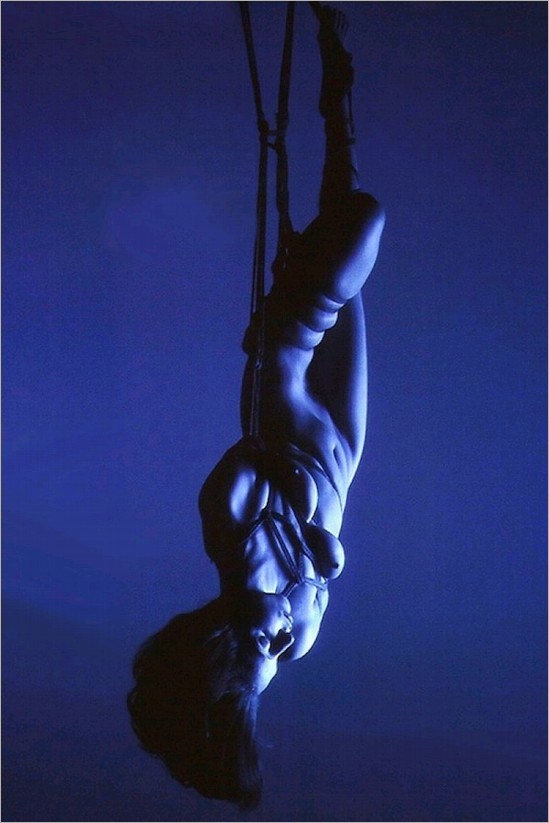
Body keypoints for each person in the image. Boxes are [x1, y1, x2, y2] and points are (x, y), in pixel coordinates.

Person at [127, 3, 385, 809]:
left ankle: (333, 67)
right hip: (341, 443)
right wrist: (321, 549)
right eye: (266, 659)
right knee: (345, 208)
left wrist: (289, 507)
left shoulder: (229, 543)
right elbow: (324, 577)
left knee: (358, 222)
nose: (269, 646)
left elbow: (241, 464)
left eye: (251, 649)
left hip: (286, 371)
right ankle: (336, 70)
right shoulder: (292, 642)